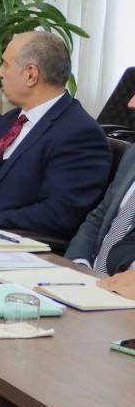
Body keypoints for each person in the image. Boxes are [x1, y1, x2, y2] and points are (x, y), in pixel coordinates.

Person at [0, 32, 111, 242]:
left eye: (5, 65)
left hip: (10, 243)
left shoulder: (79, 133)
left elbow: (59, 214)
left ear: (31, 74)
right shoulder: (11, 119)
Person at [66, 88, 135, 280]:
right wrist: (78, 264)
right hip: (88, 280)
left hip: (123, 287)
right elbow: (100, 216)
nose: (131, 104)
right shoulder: (133, 154)